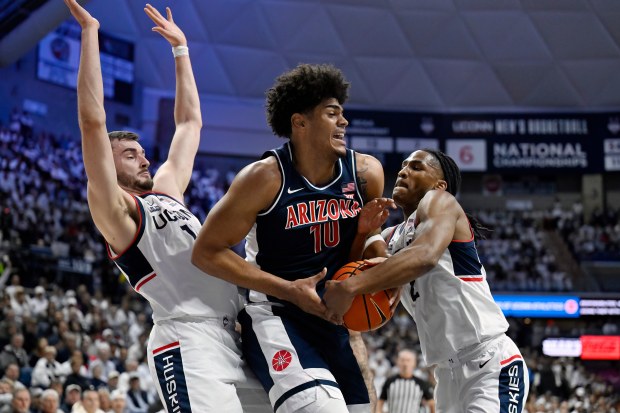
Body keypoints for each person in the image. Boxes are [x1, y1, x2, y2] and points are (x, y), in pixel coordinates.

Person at [63, 1, 262, 412]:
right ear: (108, 161)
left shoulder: (166, 192)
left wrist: (181, 50)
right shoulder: (116, 210)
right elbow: (92, 122)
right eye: (130, 154)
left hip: (236, 336)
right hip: (187, 341)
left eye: (142, 151)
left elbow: (190, 123)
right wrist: (89, 33)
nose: (144, 158)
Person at [192, 63, 390, 413]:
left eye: (343, 113)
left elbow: (363, 247)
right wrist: (289, 290)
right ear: (300, 122)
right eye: (332, 114)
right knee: (320, 409)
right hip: (275, 312)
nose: (344, 121)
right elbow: (206, 252)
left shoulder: (365, 173)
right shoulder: (264, 178)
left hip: (330, 319)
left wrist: (369, 243)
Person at [324, 149, 530, 413]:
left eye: (416, 167)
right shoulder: (390, 237)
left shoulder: (441, 201)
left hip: (489, 363)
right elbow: (357, 272)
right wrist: (365, 232)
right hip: (445, 376)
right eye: (402, 166)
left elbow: (425, 255)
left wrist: (350, 286)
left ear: (439, 184)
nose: (403, 171)